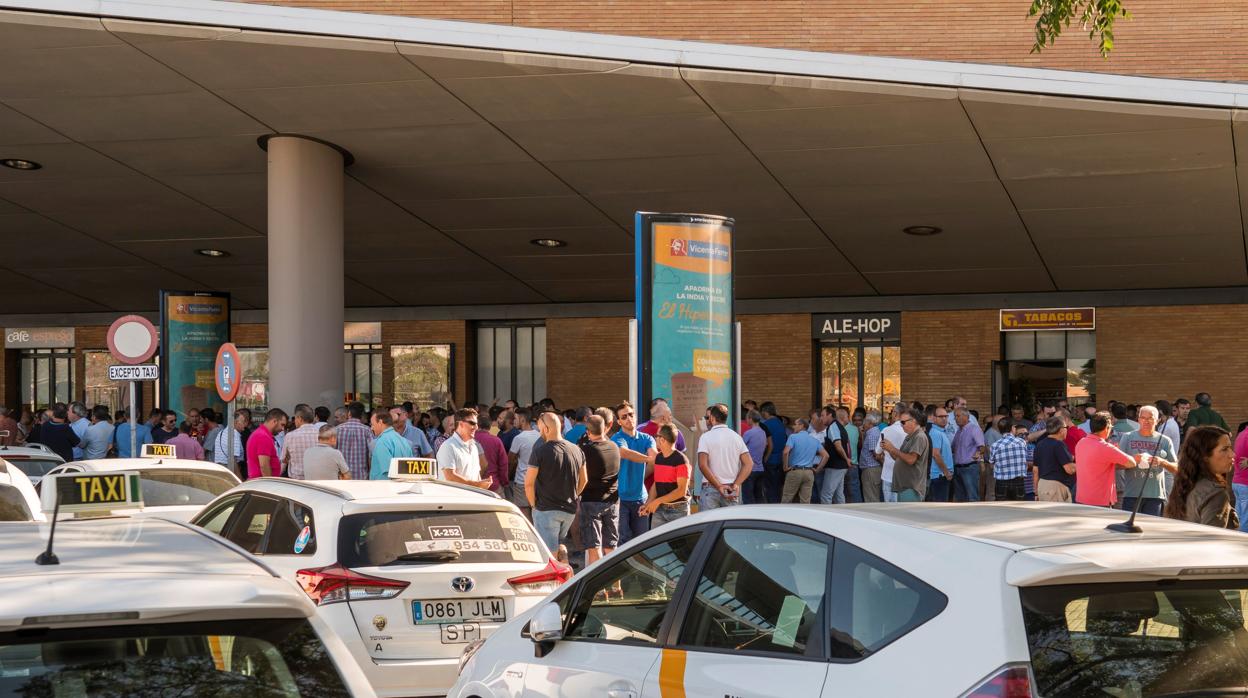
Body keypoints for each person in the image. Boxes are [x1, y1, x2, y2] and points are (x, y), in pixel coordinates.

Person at [527, 412, 587, 553]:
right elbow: (584, 480)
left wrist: (533, 505)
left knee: (549, 554)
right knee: (559, 545)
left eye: (540, 429)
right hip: (569, 509)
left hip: (546, 509)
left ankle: (561, 573)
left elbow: (529, 483)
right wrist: (574, 495)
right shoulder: (577, 450)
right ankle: (567, 569)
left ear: (546, 429)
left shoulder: (540, 451)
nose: (540, 432)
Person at [1165, 426, 1238, 529]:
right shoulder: (1215, 493)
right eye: (1225, 449)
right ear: (1205, 456)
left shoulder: (1186, 483)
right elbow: (1212, 539)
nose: (1232, 454)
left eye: (1230, 448)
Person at [1116, 405, 1178, 517]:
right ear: (1138, 419)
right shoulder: (1127, 437)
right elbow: (1117, 465)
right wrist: (1133, 460)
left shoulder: (1165, 440)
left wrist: (1162, 462)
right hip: (1131, 494)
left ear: (1158, 420)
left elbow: (1177, 468)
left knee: (1152, 529)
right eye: (1143, 418)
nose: (1146, 421)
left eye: (1150, 418)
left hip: (1155, 496)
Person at [611, 401, 657, 544]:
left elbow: (654, 456)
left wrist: (652, 459)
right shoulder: (616, 438)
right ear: (618, 421)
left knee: (641, 542)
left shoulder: (647, 438)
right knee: (622, 541)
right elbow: (624, 453)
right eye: (624, 417)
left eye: (631, 415)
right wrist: (648, 459)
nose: (629, 418)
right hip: (620, 499)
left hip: (640, 498)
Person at [578, 415, 620, 566]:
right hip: (612, 501)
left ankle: (599, 589)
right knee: (611, 546)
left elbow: (581, 477)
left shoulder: (585, 450)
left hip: (591, 501)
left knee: (594, 547)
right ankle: (616, 586)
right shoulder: (614, 447)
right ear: (604, 428)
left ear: (588, 431)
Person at [1074, 411, 1138, 508]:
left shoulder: (1081, 443)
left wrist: (1111, 462)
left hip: (1081, 499)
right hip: (1099, 501)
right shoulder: (1106, 447)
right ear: (1106, 428)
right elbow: (1131, 463)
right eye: (1111, 428)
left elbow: (1097, 464)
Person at [697, 403, 752, 510]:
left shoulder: (705, 437)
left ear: (712, 418)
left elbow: (702, 465)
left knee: (708, 525)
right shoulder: (736, 437)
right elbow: (749, 464)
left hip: (711, 488)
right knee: (731, 525)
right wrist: (736, 484)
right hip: (731, 488)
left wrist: (719, 486)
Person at [640, 424, 691, 526]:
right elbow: (656, 483)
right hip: (660, 509)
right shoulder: (658, 458)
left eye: (656, 436)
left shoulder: (681, 460)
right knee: (656, 541)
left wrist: (657, 501)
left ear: (662, 440)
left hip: (678, 511)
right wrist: (648, 503)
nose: (655, 439)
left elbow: (681, 491)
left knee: (678, 542)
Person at [880, 408, 930, 502]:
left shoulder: (919, 436)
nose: (901, 425)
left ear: (913, 421)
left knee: (909, 515)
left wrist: (892, 448)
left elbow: (911, 460)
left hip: (911, 487)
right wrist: (889, 449)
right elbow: (899, 458)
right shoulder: (910, 436)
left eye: (903, 422)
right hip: (905, 486)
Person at [436, 408, 492, 489]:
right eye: (472, 423)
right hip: (453, 499)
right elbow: (450, 477)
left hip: (470, 498)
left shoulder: (474, 446)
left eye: (477, 424)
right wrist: (477, 485)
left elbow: (476, 475)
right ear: (461, 424)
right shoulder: (448, 446)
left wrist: (480, 485)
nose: (476, 427)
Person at [780, 418, 828, 504]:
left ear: (802, 426)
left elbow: (785, 452)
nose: (793, 426)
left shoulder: (793, 437)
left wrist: (785, 467)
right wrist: (817, 469)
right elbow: (826, 456)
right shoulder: (814, 440)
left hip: (795, 471)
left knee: (787, 499)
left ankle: (784, 517)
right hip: (809, 472)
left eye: (795, 424)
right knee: (805, 501)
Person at [507, 407, 541, 517]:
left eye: (515, 419)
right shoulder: (540, 436)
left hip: (522, 481)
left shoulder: (519, 438)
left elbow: (510, 460)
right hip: (538, 480)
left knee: (524, 513)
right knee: (536, 512)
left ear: (522, 420)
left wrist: (507, 476)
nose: (513, 421)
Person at [1033, 417, 1076, 502]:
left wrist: (1036, 492)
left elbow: (1035, 470)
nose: (1067, 430)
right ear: (1061, 430)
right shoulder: (1059, 444)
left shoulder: (1040, 444)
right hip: (1055, 488)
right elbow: (1070, 469)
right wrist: (1083, 464)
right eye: (1066, 428)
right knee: (1060, 514)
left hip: (1042, 486)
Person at [988, 421, 1030, 501]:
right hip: (1018, 481)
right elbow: (1025, 459)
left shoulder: (995, 445)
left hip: (1001, 482)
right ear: (1013, 428)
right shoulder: (1022, 442)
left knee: (1002, 509)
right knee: (1020, 507)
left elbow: (991, 465)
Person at [820, 405, 852, 504]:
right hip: (840, 466)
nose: (821, 418)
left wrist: (846, 459)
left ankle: (825, 518)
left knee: (826, 495)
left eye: (822, 415)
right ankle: (843, 516)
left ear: (830, 415)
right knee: (839, 495)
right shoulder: (840, 427)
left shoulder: (833, 426)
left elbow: (838, 446)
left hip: (835, 466)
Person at [951, 407, 984, 502]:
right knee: (960, 497)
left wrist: (978, 453)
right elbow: (953, 448)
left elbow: (982, 446)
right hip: (958, 468)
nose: (956, 419)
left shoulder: (974, 429)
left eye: (958, 416)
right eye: (955, 416)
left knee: (972, 496)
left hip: (970, 468)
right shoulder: (959, 431)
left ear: (966, 416)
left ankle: (976, 516)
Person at [333, 401, 373, 481]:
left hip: (342, 476)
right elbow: (371, 455)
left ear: (349, 413)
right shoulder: (367, 430)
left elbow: (333, 452)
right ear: (362, 415)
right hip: (362, 475)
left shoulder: (337, 429)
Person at [369, 409, 414, 480]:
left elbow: (388, 473)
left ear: (380, 422)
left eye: (372, 424)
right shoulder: (404, 441)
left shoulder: (382, 441)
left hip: (384, 488)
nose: (371, 428)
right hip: (403, 487)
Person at [474, 411, 510, 496]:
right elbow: (503, 464)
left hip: (474, 485)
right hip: (493, 484)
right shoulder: (496, 440)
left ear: (476, 425)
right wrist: (504, 482)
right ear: (490, 426)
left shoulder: (469, 440)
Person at [281, 405, 320, 480]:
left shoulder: (290, 436)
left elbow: (284, 461)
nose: (294, 421)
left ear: (299, 418)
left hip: (297, 480)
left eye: (295, 418)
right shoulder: (320, 434)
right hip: (316, 479)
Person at [759, 402, 787, 503]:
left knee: (769, 487)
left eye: (761, 412)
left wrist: (764, 458)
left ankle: (771, 508)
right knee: (777, 487)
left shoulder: (765, 425)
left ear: (765, 412)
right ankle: (777, 506)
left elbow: (764, 443)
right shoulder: (780, 423)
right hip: (781, 460)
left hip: (770, 459)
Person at [878, 405, 907, 502]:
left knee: (888, 507)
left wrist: (884, 456)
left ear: (895, 413)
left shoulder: (886, 430)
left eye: (892, 412)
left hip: (887, 473)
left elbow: (877, 452)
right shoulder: (908, 431)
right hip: (903, 474)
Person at [925, 407, 954, 502]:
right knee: (939, 506)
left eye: (946, 416)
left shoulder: (941, 432)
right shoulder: (936, 433)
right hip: (939, 476)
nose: (944, 419)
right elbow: (935, 454)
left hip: (942, 476)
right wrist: (946, 472)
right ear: (933, 418)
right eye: (941, 416)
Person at [740, 409, 767, 504]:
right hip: (760, 468)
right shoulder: (763, 432)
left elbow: (740, 448)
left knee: (748, 498)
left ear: (750, 419)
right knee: (759, 496)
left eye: (747, 418)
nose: (746, 420)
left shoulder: (749, 433)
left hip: (749, 470)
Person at [858, 412, 884, 502]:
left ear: (870, 423)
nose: (863, 424)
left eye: (864, 421)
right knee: (872, 496)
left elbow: (876, 454)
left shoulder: (872, 434)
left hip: (871, 470)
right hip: (871, 469)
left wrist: (883, 465)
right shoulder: (872, 432)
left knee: (871, 498)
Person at [213, 409, 246, 475]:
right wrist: (239, 479)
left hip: (220, 469)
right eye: (243, 422)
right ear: (235, 422)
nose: (245, 424)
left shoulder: (222, 432)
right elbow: (233, 460)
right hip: (230, 470)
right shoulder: (234, 434)